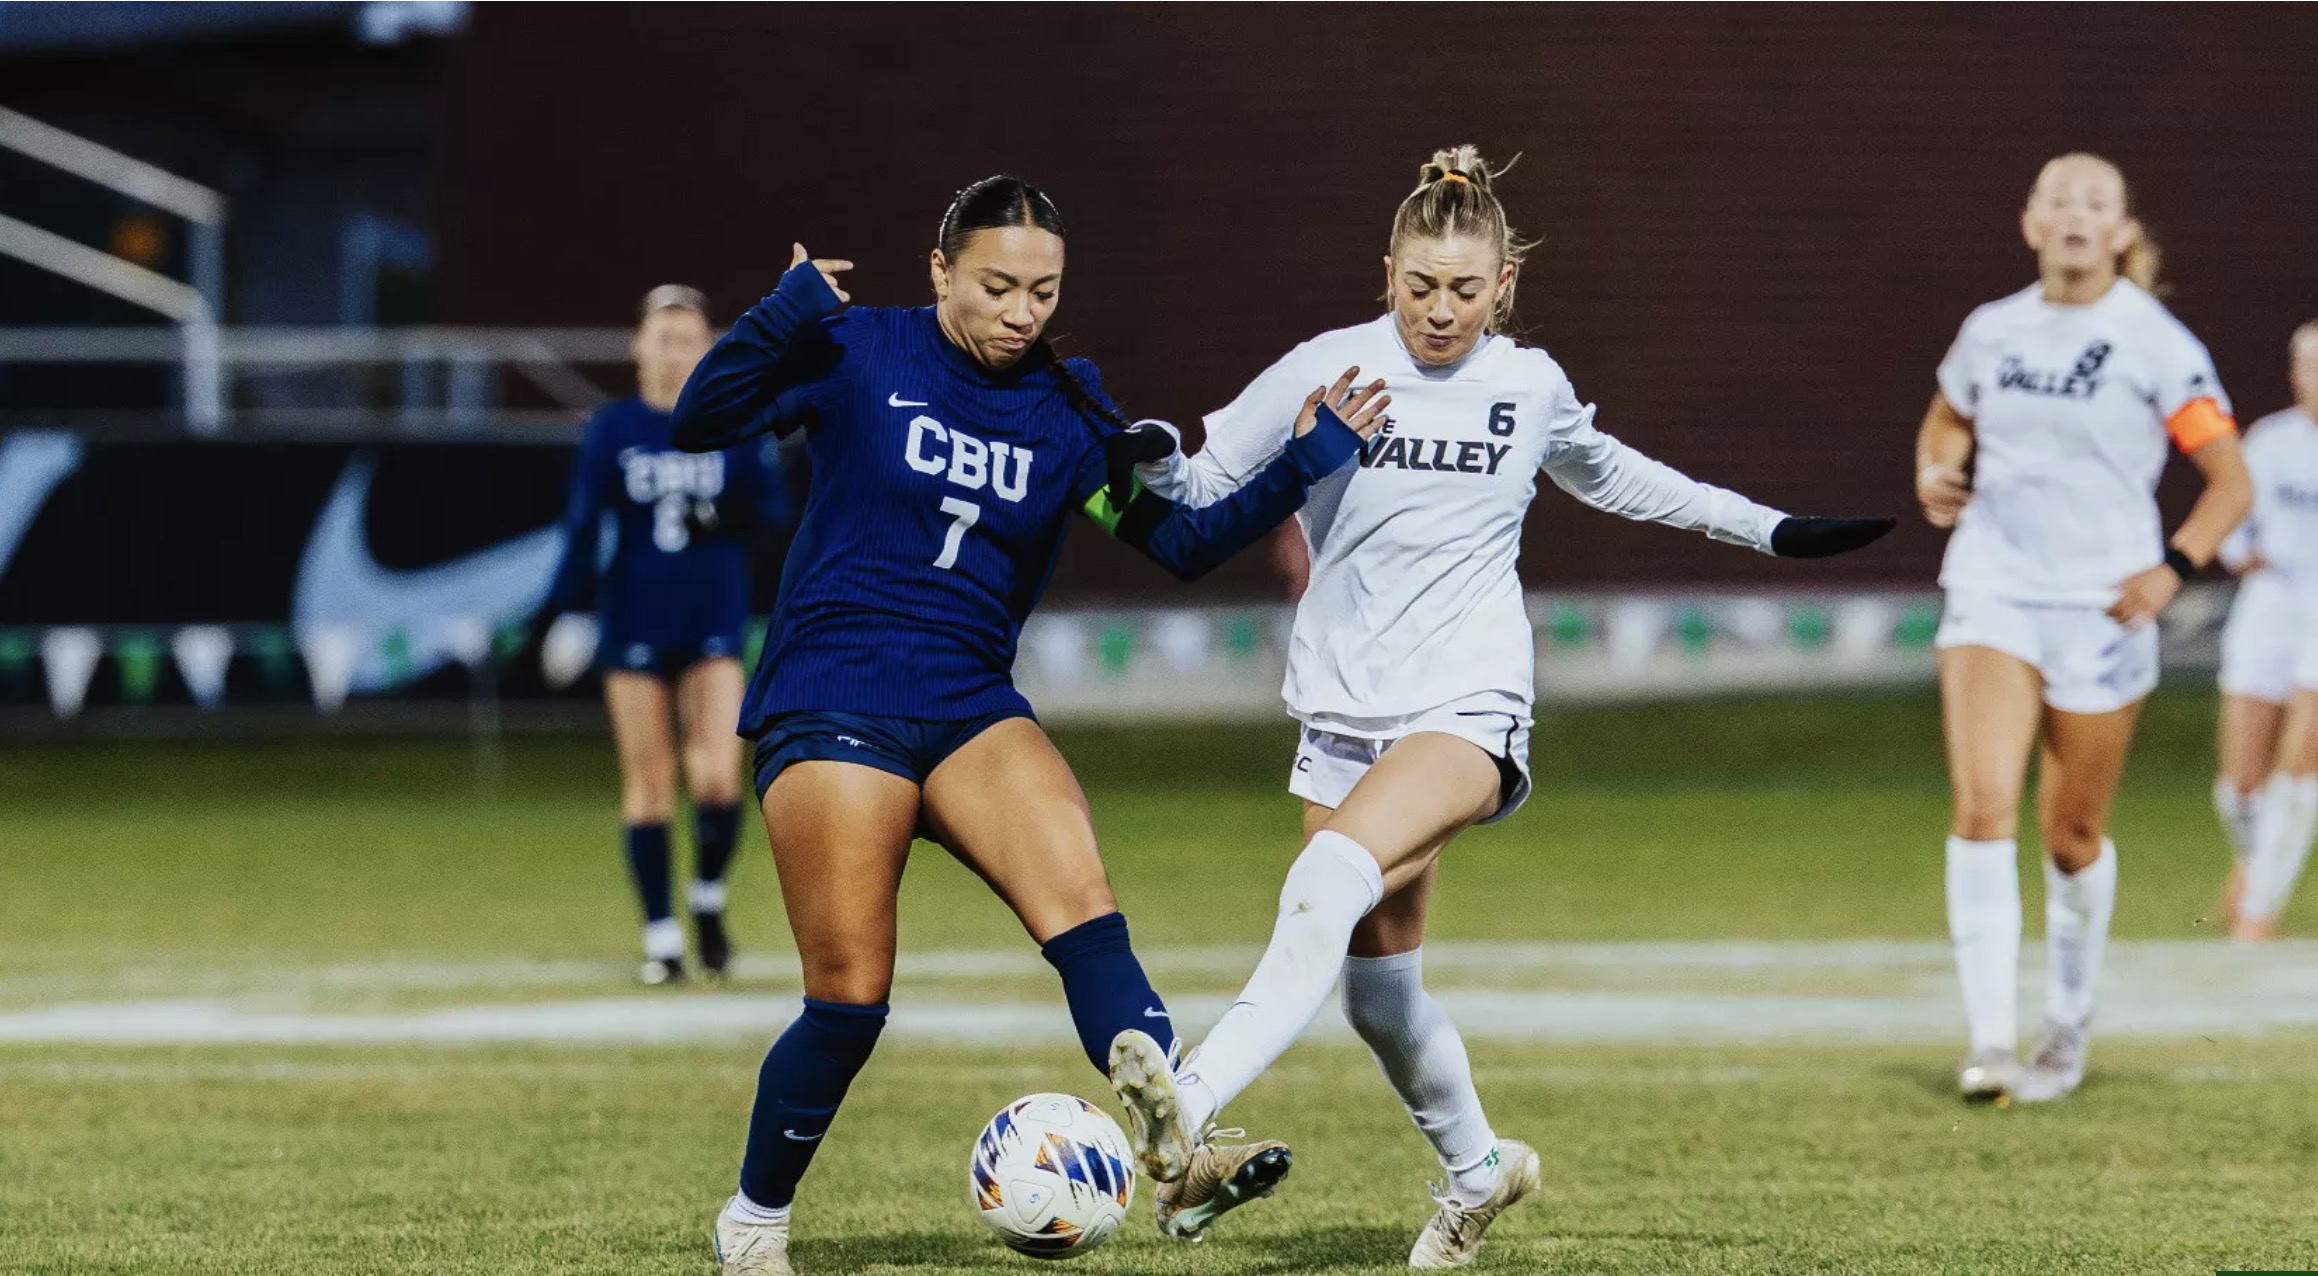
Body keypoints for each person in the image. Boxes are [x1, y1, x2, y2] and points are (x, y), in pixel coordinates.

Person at [1112, 145, 1892, 1266]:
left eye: (1463, 290)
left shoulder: (1526, 386)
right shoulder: (1325, 368)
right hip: (1340, 710)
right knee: (1377, 995)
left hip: (1468, 700)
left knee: (1322, 880)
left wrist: (1770, 528)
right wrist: (1144, 462)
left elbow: (1620, 474)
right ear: (1385, 271)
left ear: (1504, 287)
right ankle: (1479, 1171)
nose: (1439, 310)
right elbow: (1199, 480)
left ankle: (1186, 1099)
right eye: (1419, 286)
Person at [668, 175, 1393, 1276]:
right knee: (850, 1001)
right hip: (835, 692)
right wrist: (780, 313)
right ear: (939, 270)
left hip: (967, 700)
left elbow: (1178, 542)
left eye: (1041, 291)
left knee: (1087, 917)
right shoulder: (855, 347)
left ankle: (1172, 1141)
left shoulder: (1063, 410)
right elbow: (699, 417)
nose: (1020, 312)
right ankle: (754, 1219)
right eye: (996, 286)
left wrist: (1304, 462)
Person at [1915, 153, 2251, 1103]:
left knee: (2070, 837)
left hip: (2102, 608)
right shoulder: (1992, 331)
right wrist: (1935, 471)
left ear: (2118, 233)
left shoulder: (2154, 342)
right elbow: (1945, 423)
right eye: (2057, 199)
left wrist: (2171, 568)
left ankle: (2066, 1020)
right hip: (1995, 586)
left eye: (2093, 203)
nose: (2074, 214)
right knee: (1982, 806)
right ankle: (1989, 1042)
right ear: (2029, 225)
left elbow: (2230, 483)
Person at [542, 286, 787, 985]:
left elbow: (772, 508)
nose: (676, 351)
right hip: (635, 618)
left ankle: (706, 900)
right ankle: (660, 937)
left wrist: (721, 512)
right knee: (648, 783)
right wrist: (569, 609)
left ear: (708, 349)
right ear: (637, 345)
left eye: (689, 338)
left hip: (712, 615)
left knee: (715, 776)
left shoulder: (734, 421)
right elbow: (584, 526)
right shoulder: (612, 429)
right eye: (664, 336)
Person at [2224, 321, 2318, 941]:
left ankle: (2255, 916)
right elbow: (2233, 524)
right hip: (2269, 609)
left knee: (2299, 773)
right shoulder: (2270, 442)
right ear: (2296, 374)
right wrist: (2242, 552)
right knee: (2238, 787)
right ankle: (2257, 873)